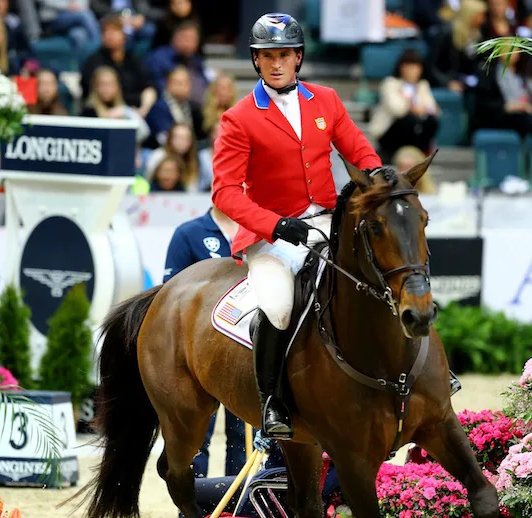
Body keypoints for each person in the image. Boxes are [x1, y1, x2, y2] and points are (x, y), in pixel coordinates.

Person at [211, 13, 385, 440]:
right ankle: (271, 400)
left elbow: (360, 152)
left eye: (284, 55)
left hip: (325, 219)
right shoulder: (239, 118)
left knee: (384, 268)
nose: (276, 64)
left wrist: (378, 179)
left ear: (298, 58)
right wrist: (274, 224)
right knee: (278, 305)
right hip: (272, 233)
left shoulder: (326, 100)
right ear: (255, 60)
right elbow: (225, 193)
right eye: (267, 56)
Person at [162, 205, 247, 479]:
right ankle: (195, 501)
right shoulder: (188, 234)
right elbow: (168, 297)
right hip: (196, 358)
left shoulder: (256, 231)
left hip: (241, 353)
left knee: (242, 437)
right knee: (195, 436)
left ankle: (237, 501)